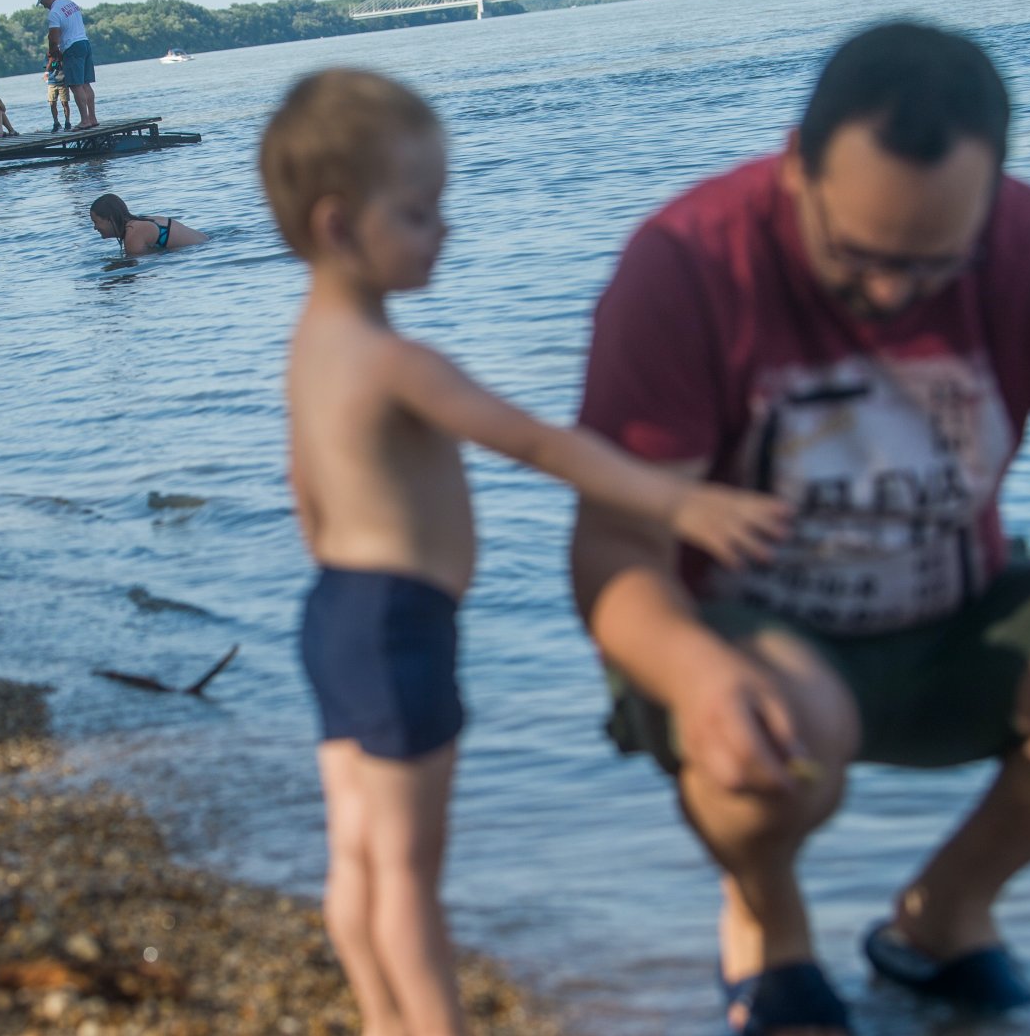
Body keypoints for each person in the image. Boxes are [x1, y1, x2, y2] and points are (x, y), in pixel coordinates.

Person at [567, 22, 1030, 1036]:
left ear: (994, 197)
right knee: (788, 725)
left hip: (951, 621)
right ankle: (770, 926)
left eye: (933, 266)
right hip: (751, 637)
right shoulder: (688, 264)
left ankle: (942, 916)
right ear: (796, 163)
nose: (891, 296)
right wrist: (698, 678)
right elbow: (616, 553)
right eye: (859, 257)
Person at [260, 69, 790, 1036]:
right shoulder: (397, 362)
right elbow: (544, 445)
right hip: (399, 625)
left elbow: (305, 489)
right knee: (411, 874)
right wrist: (683, 502)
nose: (446, 229)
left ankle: (383, 1022)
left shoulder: (310, 346)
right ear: (340, 225)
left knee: (359, 857)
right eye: (421, 212)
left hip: (335, 614)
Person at [36, 0, 97, 130]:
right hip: (85, 43)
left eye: (43, 3)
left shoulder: (54, 12)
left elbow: (53, 37)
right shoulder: (70, 3)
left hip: (72, 48)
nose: (44, 6)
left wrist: (53, 52)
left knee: (76, 85)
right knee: (86, 84)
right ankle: (93, 118)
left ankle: (85, 120)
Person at [89, 192, 206, 257]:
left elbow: (136, 269)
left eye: (96, 222)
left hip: (200, 252)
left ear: (110, 220)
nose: (95, 227)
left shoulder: (133, 233)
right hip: (205, 244)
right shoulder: (139, 222)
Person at [45, 54, 71, 133]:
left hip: (63, 82)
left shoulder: (63, 55)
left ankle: (67, 122)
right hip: (52, 82)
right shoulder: (48, 56)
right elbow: (47, 68)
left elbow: (65, 66)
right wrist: (51, 60)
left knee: (65, 103)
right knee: (52, 103)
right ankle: (56, 123)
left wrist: (60, 59)